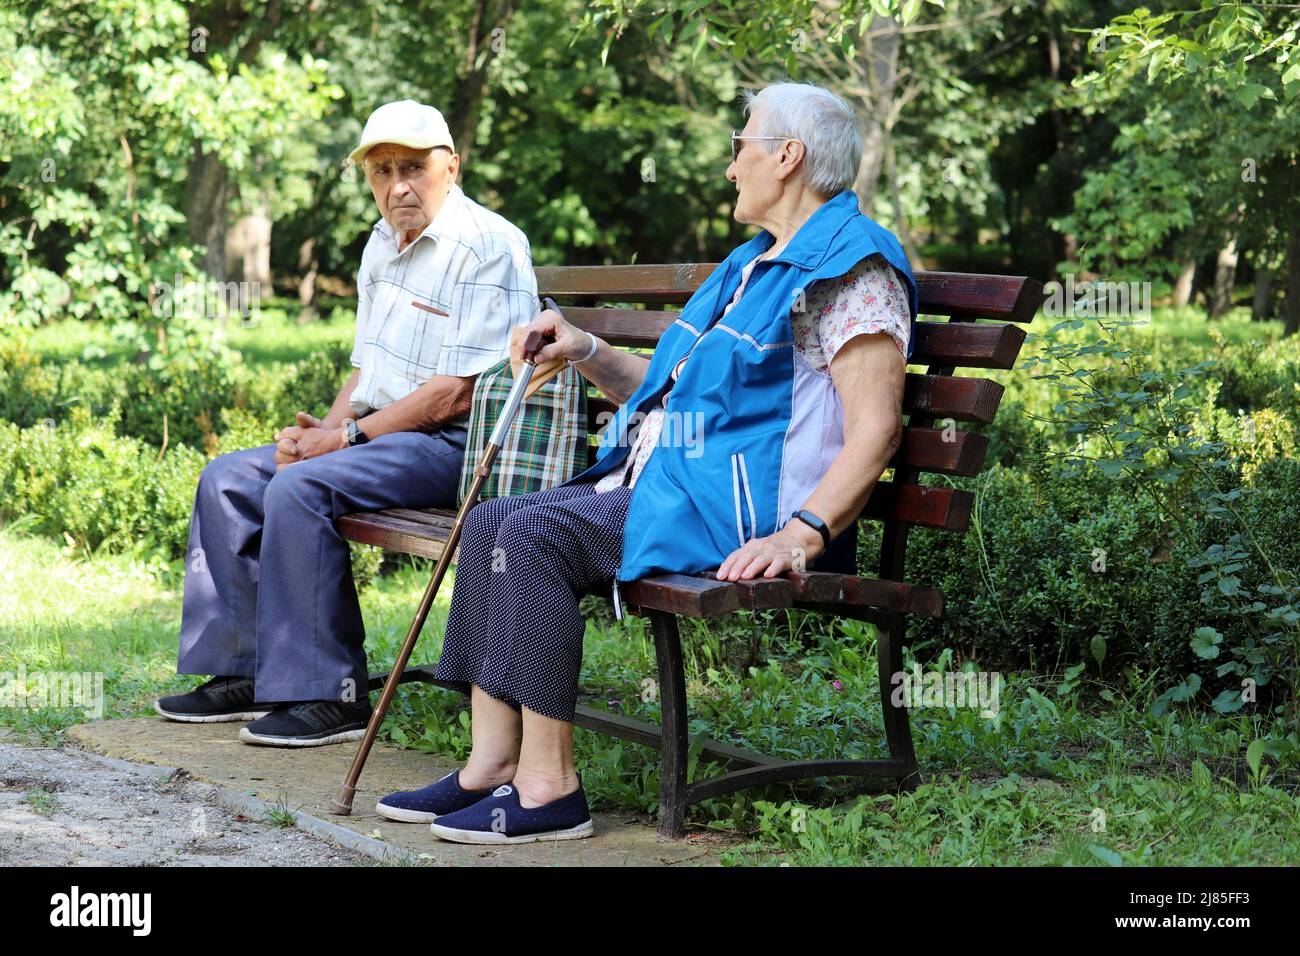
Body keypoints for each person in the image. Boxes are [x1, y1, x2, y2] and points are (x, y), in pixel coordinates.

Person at [377, 81, 918, 843]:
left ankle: (549, 788)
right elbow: (667, 396)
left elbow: (876, 430)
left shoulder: (848, 271)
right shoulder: (753, 265)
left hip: (737, 515)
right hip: (671, 485)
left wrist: (800, 536)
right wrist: (586, 350)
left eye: (742, 146)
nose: (732, 167)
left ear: (788, 157)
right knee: (495, 518)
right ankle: (491, 763)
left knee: (532, 538)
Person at [155, 100, 538, 747]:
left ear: (452, 166)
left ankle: (327, 694)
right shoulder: (382, 245)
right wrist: (318, 435)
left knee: (300, 489)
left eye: (412, 168)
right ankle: (247, 671)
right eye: (382, 171)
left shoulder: (488, 246)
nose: (398, 186)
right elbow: (367, 369)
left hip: (462, 447)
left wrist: (342, 441)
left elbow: (457, 395)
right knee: (227, 478)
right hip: (385, 436)